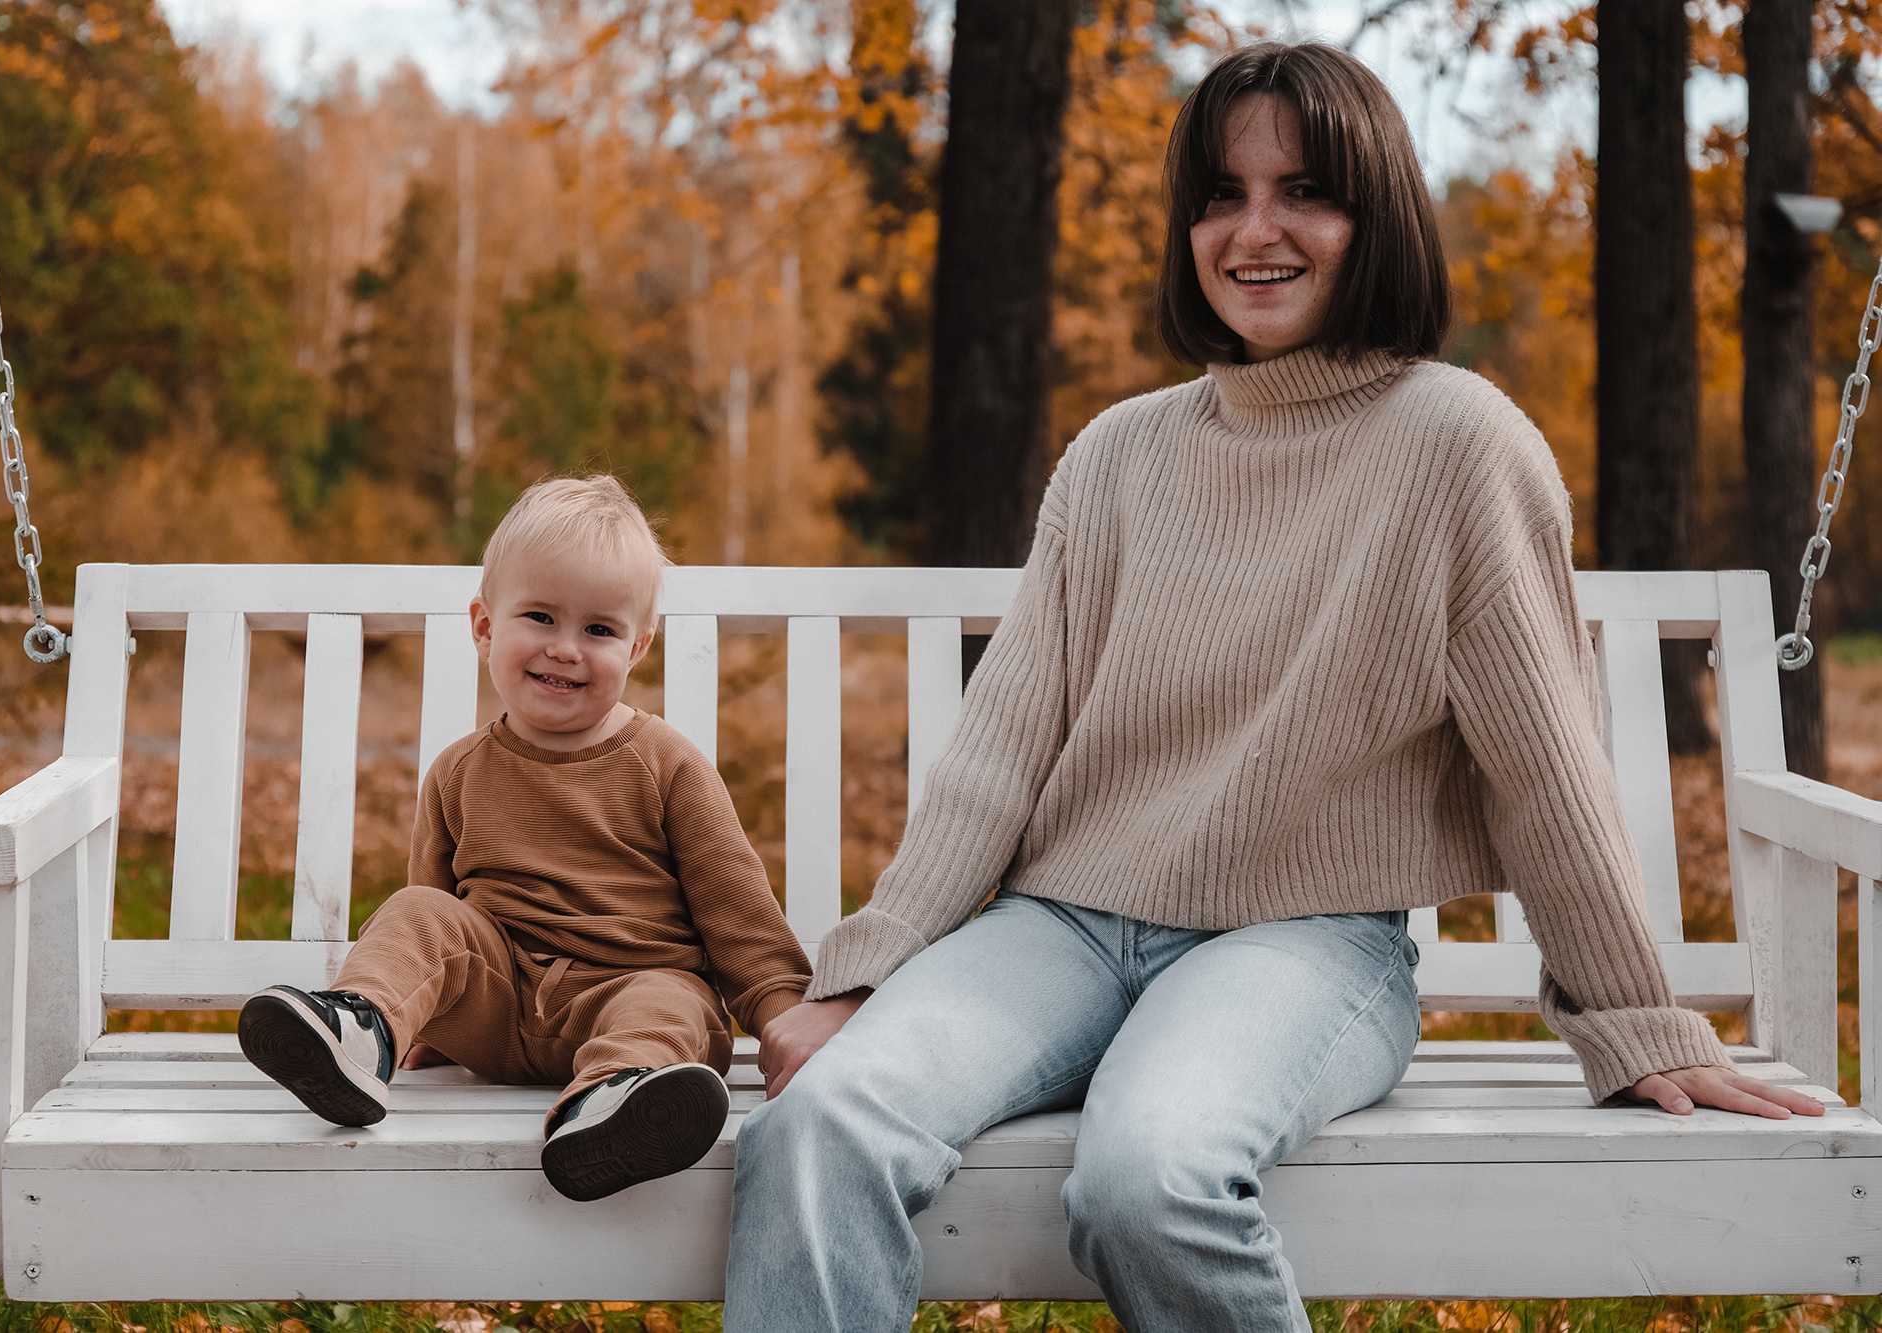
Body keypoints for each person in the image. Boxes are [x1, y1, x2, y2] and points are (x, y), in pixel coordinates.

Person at [724, 42, 1823, 1331]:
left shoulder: (1457, 443)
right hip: (1059, 928)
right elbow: (996, 754)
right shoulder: (1115, 455)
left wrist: (1634, 1022)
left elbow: (1543, 771)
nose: (1254, 232)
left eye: (1302, 191)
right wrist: (862, 972)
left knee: (1149, 1180)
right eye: (1220, 196)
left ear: (1375, 215)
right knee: (817, 1128)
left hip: (1304, 943)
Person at [237, 475, 812, 1202]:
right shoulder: (459, 770)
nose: (565, 649)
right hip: (499, 1011)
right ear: (484, 625)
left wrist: (785, 1016)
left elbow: (741, 916)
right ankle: (362, 1034)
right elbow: (434, 911)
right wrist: (421, 1017)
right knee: (415, 908)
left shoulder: (666, 764)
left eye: (599, 630)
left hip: (627, 993)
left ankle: (612, 1105)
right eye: (540, 617)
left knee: (672, 999)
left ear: (638, 646)